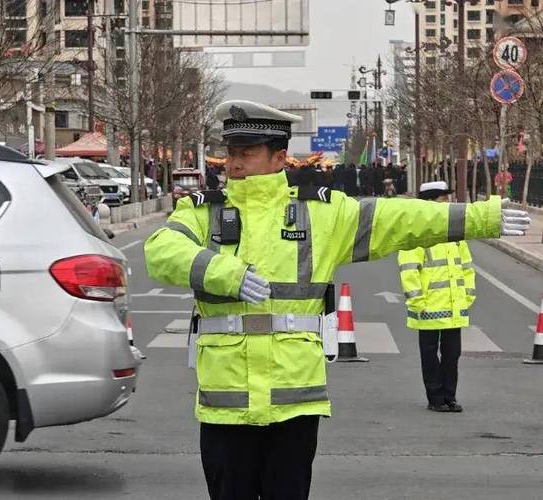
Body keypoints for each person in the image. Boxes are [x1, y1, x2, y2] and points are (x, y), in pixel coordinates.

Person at [143, 100, 530, 500]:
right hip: (225, 401)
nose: (233, 163)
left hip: (294, 399)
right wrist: (225, 273)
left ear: (279, 157)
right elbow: (160, 251)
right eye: (231, 152)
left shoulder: (320, 213)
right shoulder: (202, 212)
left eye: (246, 153)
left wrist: (481, 218)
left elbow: (397, 218)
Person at [397, 181, 476, 413]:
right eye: (444, 198)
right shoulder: (417, 232)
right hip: (428, 306)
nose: (448, 203)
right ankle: (435, 398)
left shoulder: (453, 232)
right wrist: (417, 301)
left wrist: (468, 294)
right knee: (430, 354)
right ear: (431, 202)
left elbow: (467, 266)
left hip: (454, 305)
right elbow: (409, 269)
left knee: (453, 354)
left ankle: (450, 397)